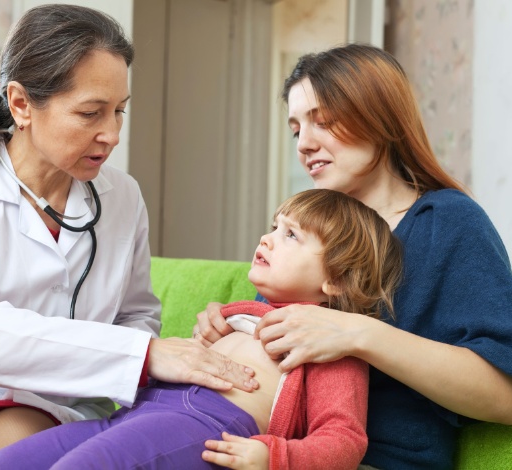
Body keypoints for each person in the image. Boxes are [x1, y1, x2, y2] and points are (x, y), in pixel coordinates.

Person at [0, 5, 257, 469]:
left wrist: (133, 353)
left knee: (15, 436)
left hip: (62, 398)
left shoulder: (122, 196)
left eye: (119, 111)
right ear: (22, 104)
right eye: (90, 113)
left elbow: (137, 314)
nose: (111, 134)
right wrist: (145, 355)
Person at [195, 43, 512, 470]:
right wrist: (229, 333)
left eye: (322, 121)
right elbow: (283, 353)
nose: (304, 144)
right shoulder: (310, 230)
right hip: (268, 449)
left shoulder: (449, 222)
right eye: (295, 130)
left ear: (379, 117)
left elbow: (505, 395)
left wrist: (358, 333)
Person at [0, 188, 403, 470]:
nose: (267, 238)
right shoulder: (236, 316)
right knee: (0, 465)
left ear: (338, 280)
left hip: (207, 429)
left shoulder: (333, 349)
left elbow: (344, 439)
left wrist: (275, 457)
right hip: (138, 412)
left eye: (291, 235)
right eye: (275, 226)